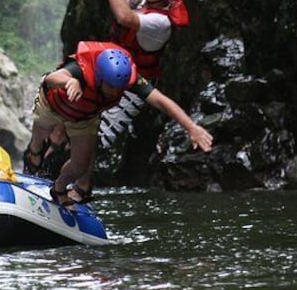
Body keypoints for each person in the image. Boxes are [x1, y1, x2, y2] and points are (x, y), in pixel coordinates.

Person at [24, 41, 212, 206]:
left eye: (119, 88)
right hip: (52, 106)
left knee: (80, 165)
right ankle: (34, 154)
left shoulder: (127, 78)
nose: (116, 92)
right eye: (111, 87)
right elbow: (51, 78)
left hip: (84, 117)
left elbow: (161, 100)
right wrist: (69, 82)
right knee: (39, 140)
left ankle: (58, 189)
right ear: (100, 77)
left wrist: (191, 127)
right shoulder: (82, 69)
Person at [80, 0, 192, 149]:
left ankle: (74, 182)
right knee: (71, 108)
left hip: (132, 84)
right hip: (109, 65)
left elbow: (125, 17)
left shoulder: (161, 23)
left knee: (95, 139)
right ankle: (39, 161)